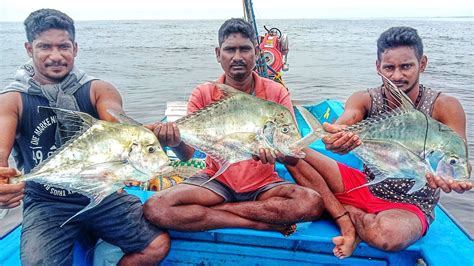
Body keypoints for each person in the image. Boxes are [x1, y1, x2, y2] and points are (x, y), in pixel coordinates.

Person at [0, 9, 169, 265]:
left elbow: (118, 125)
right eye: (45, 46)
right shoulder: (12, 100)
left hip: (103, 195)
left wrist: (145, 140)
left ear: (75, 48)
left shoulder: (98, 90)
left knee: (157, 245)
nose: (56, 56)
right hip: (46, 203)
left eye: (64, 46)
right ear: (28, 48)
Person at [293, 26, 472, 252]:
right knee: (293, 152)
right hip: (365, 184)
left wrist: (455, 178)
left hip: (411, 204)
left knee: (387, 237)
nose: (397, 75)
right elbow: (348, 119)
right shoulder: (365, 99)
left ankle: (343, 214)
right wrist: (336, 135)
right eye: (389, 67)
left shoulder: (445, 106)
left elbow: (458, 154)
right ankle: (348, 214)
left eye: (406, 66)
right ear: (378, 67)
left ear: (422, 63)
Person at [143, 18, 323, 236]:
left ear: (256, 53)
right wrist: (175, 140)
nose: (237, 57)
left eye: (245, 49)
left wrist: (278, 155)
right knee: (156, 208)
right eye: (230, 50)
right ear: (218, 54)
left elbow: (293, 155)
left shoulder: (276, 93)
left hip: (263, 185)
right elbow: (186, 156)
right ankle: (255, 223)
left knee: (311, 203)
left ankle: (222, 212)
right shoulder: (204, 93)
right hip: (216, 180)